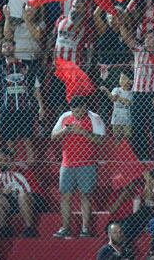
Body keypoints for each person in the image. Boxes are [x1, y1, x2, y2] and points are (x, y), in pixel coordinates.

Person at [51, 96, 105, 238]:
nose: (76, 113)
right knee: (65, 196)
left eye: (79, 110)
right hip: (67, 163)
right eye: (73, 110)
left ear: (85, 107)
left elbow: (100, 140)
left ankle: (85, 228)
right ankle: (65, 227)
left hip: (87, 163)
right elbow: (53, 136)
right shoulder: (65, 117)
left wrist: (82, 132)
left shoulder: (94, 118)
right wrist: (66, 131)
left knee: (85, 195)